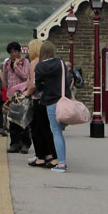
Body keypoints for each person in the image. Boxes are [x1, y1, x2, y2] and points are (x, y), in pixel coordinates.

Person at [34, 41, 69, 172]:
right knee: (60, 132)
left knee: (56, 132)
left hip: (50, 102)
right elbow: (66, 79)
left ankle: (61, 164)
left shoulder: (39, 67)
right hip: (63, 101)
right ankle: (62, 161)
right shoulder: (60, 63)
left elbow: (38, 86)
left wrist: (45, 85)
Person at [23, 39, 57, 167]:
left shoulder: (34, 63)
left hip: (37, 99)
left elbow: (33, 84)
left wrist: (26, 92)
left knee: (36, 129)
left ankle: (40, 157)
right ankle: (47, 154)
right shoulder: (46, 62)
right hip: (47, 99)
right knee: (45, 129)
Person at [3, 42, 31, 153]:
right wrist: (8, 92)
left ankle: (25, 144)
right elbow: (5, 80)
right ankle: (14, 144)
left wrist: (16, 67)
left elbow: (25, 76)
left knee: (23, 119)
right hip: (12, 95)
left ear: (19, 52)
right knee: (13, 120)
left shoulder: (25, 62)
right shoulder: (6, 64)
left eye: (15, 51)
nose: (13, 54)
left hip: (22, 94)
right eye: (11, 52)